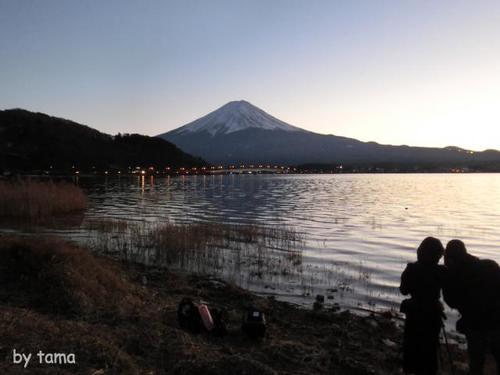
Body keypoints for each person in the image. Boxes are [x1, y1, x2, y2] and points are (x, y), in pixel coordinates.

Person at [443, 239, 500, 375]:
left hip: (475, 325)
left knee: (476, 363)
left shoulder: (453, 275)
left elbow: (451, 302)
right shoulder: (490, 265)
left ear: (450, 258)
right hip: (497, 321)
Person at [400, 237, 446, 375]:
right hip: (433, 313)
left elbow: (403, 290)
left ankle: (409, 369)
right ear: (438, 256)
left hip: (414, 312)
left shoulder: (411, 268)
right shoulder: (441, 271)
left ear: (420, 251)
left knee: (411, 343)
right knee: (430, 345)